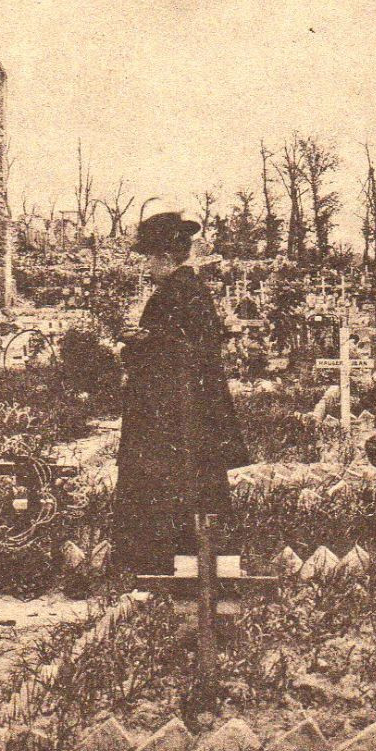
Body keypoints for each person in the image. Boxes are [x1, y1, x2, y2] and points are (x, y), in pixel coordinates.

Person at [113, 212, 249, 574]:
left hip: (172, 414)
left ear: (165, 257)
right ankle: (186, 560)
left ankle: (157, 562)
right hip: (189, 410)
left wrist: (136, 346)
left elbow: (177, 353)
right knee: (193, 485)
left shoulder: (175, 293)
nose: (146, 266)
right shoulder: (189, 291)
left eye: (148, 258)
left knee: (167, 483)